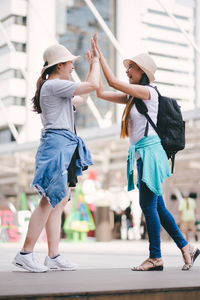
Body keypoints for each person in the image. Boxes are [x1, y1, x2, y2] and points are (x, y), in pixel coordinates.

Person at [93, 33, 200, 271]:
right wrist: (93, 63)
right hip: (143, 155)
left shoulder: (149, 92)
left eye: (131, 68)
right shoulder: (133, 96)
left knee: (148, 206)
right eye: (128, 67)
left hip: (150, 154)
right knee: (158, 206)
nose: (127, 71)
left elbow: (111, 82)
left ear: (143, 72)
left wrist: (101, 56)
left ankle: (156, 257)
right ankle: (187, 248)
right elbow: (101, 92)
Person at [12, 39, 100, 272]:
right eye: (70, 63)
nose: (73, 66)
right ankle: (25, 253)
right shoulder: (53, 85)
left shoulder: (56, 88)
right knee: (49, 200)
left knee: (59, 200)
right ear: (59, 65)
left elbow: (83, 98)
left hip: (64, 145)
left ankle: (53, 255)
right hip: (57, 144)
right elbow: (92, 86)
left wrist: (93, 68)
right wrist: (96, 63)